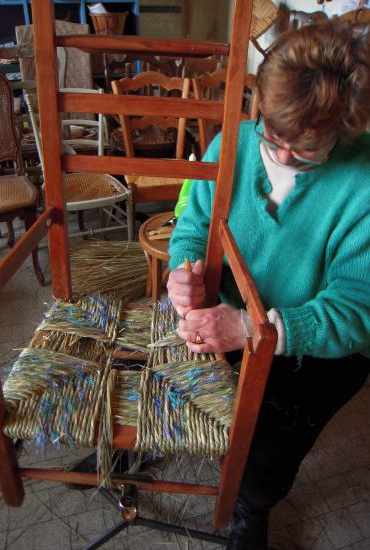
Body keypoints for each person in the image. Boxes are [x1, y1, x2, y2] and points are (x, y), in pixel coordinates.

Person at [167, 20, 370, 550]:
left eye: (306, 152)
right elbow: (192, 225)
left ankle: (251, 508)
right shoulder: (227, 146)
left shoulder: (364, 180)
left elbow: (358, 308)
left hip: (317, 347)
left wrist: (258, 330)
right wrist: (182, 273)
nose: (281, 158)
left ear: (344, 129)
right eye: (272, 138)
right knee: (164, 382)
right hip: (234, 318)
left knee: (262, 459)